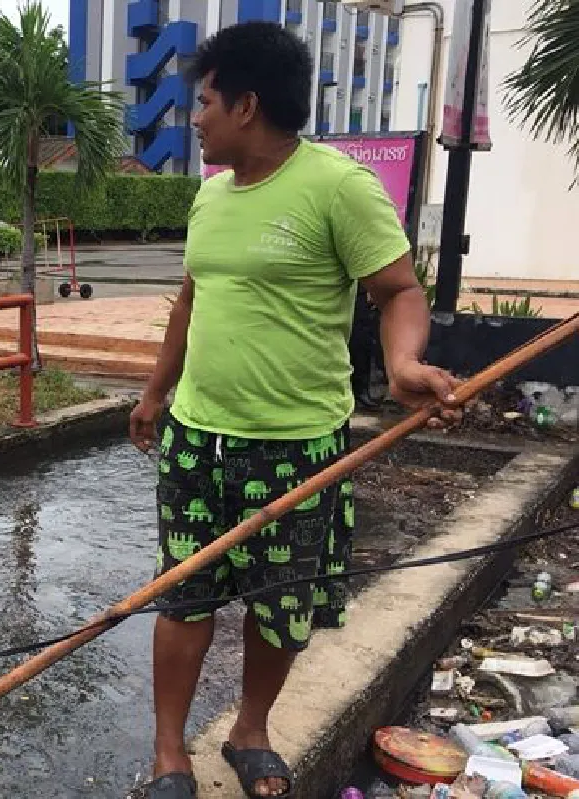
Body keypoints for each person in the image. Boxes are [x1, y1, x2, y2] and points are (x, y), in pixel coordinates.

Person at [126, 23, 462, 799]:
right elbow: (192, 298)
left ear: (246, 104)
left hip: (298, 447)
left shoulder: (338, 187)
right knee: (184, 596)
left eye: (203, 102)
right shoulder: (209, 195)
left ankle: (250, 729)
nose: (195, 118)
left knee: (281, 606)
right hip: (196, 441)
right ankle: (170, 753)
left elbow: (399, 290)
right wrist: (154, 393)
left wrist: (405, 362)